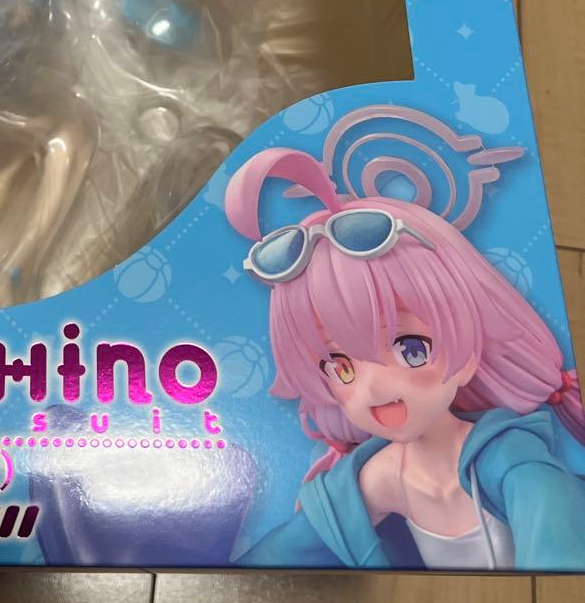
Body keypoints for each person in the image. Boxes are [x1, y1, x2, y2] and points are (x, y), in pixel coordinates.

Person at [224, 139, 585, 570]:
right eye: (340, 367)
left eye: (410, 348)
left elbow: (559, 563)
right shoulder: (377, 479)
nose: (374, 389)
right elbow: (265, 568)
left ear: (468, 352)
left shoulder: (512, 460)